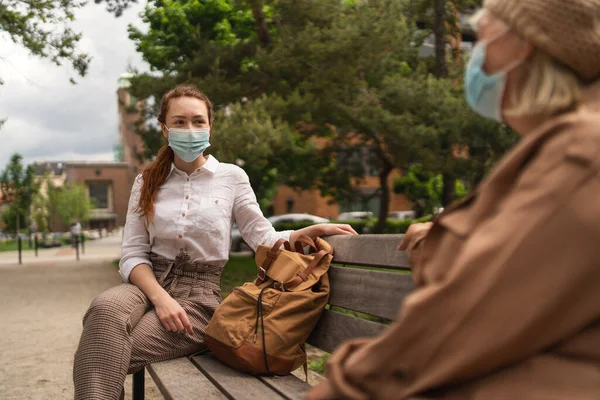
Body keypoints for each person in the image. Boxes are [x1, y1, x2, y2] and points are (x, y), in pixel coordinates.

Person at [307, 0, 600, 398]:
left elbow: (465, 318)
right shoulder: (563, 146)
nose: (474, 58)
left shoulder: (581, 153)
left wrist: (339, 386)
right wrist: (447, 235)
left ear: (523, 46)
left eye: (483, 38)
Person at [73, 84, 357, 399]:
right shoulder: (146, 181)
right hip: (146, 283)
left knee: (102, 347)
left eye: (198, 121)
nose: (190, 128)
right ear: (164, 129)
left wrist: (296, 235)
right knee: (103, 308)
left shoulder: (232, 177)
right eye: (179, 122)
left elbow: (260, 235)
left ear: (210, 126)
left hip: (197, 300)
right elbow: (132, 254)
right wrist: (162, 299)